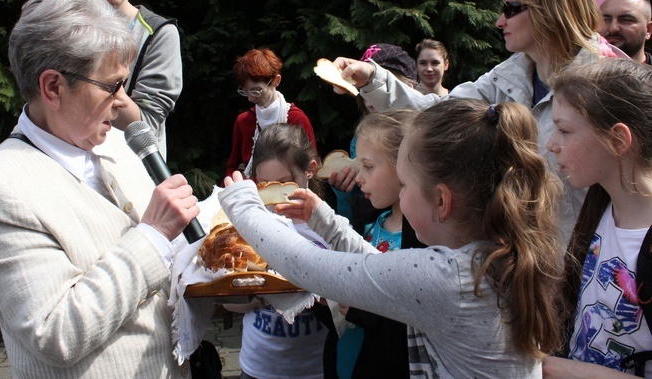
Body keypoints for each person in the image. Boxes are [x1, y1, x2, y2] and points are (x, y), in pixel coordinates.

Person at [219, 98, 563, 377]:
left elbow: (309, 265)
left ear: (441, 201)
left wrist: (243, 207)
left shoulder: (448, 280)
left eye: (406, 182)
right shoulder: (490, 256)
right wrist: (323, 220)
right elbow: (378, 266)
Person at [0, 0, 199, 378]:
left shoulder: (120, 146)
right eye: (112, 86)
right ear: (53, 87)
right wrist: (153, 236)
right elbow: (56, 332)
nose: (123, 102)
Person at [330, 0, 622, 248]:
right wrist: (371, 78)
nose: (499, 21)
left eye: (511, 9)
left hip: (593, 266)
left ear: (551, 11)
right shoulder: (507, 75)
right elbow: (437, 113)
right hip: (525, 262)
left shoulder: (610, 83)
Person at [543, 59, 652, 378]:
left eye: (564, 130)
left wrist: (558, 370)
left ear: (618, 140)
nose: (551, 145)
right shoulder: (598, 203)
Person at [224, 123, 329, 379]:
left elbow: (346, 303)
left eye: (285, 182)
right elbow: (227, 301)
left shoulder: (329, 226)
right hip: (257, 366)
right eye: (264, 183)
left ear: (311, 170)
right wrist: (254, 298)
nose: (274, 193)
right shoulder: (249, 224)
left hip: (311, 369)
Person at [74, 0, 182, 158]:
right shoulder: (63, 28)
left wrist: (93, 80)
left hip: (133, 173)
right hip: (71, 166)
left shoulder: (158, 34)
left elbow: (148, 126)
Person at [332, 109, 424, 379]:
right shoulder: (376, 223)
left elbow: (411, 318)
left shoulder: (420, 241)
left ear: (403, 166)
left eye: (368, 166)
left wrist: (362, 310)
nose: (359, 177)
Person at [329, 43, 418, 232]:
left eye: (376, 85)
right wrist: (345, 195)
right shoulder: (361, 140)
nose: (368, 100)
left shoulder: (423, 144)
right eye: (362, 87)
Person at [225, 48, 316, 179]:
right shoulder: (243, 121)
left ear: (276, 81)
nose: (250, 98)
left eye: (256, 91)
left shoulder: (296, 119)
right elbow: (232, 167)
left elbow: (311, 167)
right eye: (245, 91)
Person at [599, 0, 652, 64]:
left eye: (626, 20)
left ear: (648, 29)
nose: (613, 28)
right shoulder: (579, 71)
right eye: (605, 20)